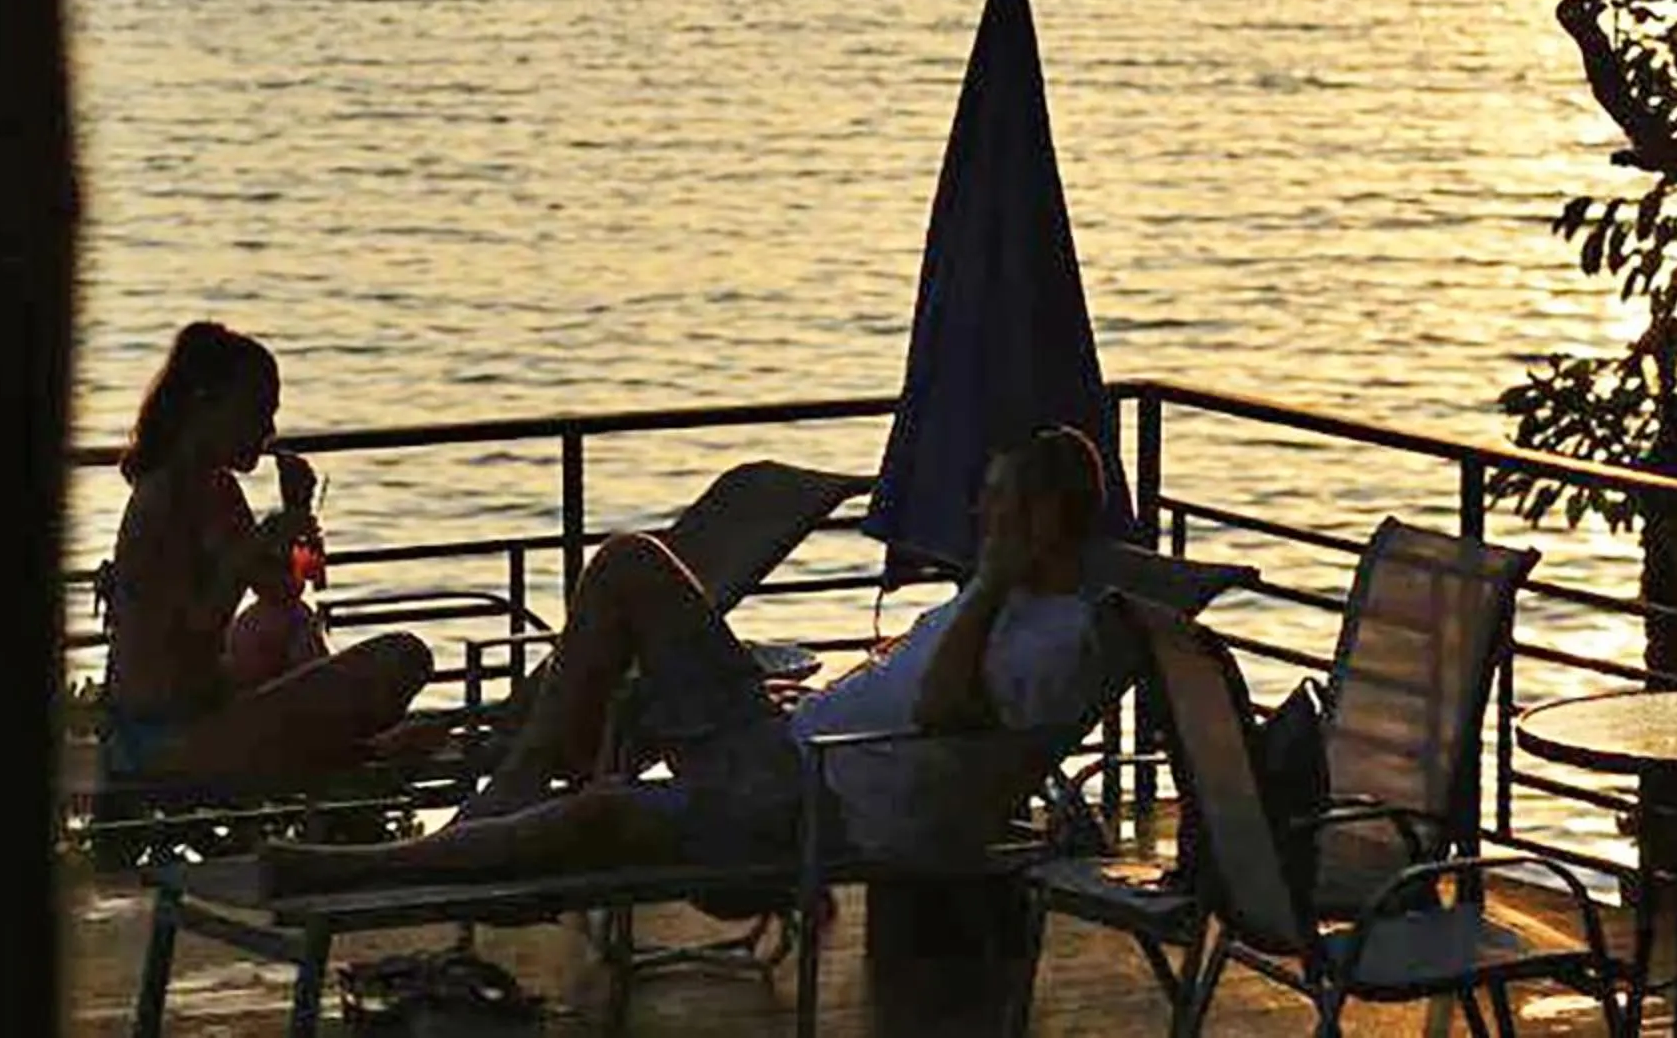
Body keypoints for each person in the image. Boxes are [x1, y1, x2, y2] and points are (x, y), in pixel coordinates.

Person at [262, 424, 1112, 894]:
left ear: (1043, 523)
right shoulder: (998, 603)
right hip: (783, 748)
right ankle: (518, 777)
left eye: (998, 504)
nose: (978, 512)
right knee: (631, 568)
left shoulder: (1056, 637)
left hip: (812, 807)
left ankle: (378, 865)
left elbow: (942, 722)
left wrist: (995, 580)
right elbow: (907, 696)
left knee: (601, 813)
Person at [94, 321, 433, 790]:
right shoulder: (162, 498)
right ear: (206, 405)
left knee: (290, 619)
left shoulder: (220, 488)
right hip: (162, 738)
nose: (269, 430)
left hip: (208, 700)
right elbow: (196, 625)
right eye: (257, 412)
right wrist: (254, 545)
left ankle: (349, 746)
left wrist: (299, 518)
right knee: (402, 657)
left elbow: (291, 586)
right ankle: (363, 750)